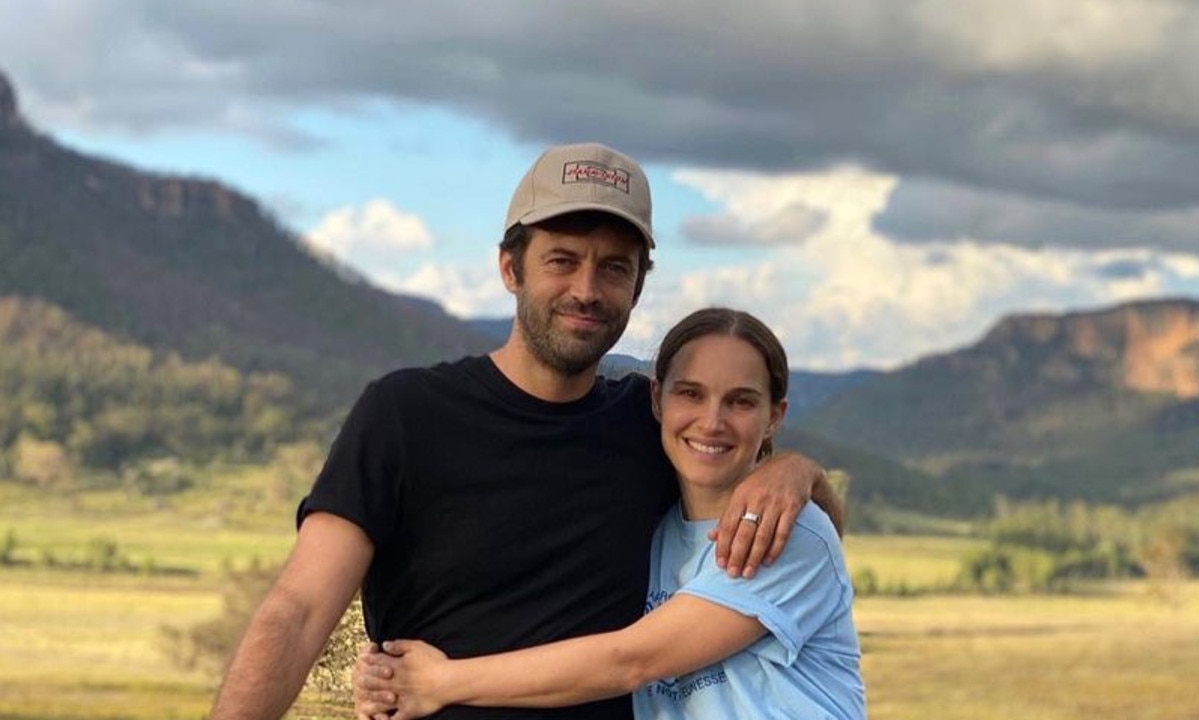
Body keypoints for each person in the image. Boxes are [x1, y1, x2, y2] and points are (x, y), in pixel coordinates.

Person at [208, 143, 834, 720]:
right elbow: (299, 611)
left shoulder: (650, 427)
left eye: (614, 269)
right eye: (562, 260)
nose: (587, 290)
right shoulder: (405, 415)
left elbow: (792, 513)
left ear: (638, 288)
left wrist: (791, 470)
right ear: (511, 267)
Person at [352, 307, 866, 720]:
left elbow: (629, 661)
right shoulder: (659, 529)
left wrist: (438, 682)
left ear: (775, 415)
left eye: (741, 402)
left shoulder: (785, 531)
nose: (712, 422)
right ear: (657, 401)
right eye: (690, 393)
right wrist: (385, 671)